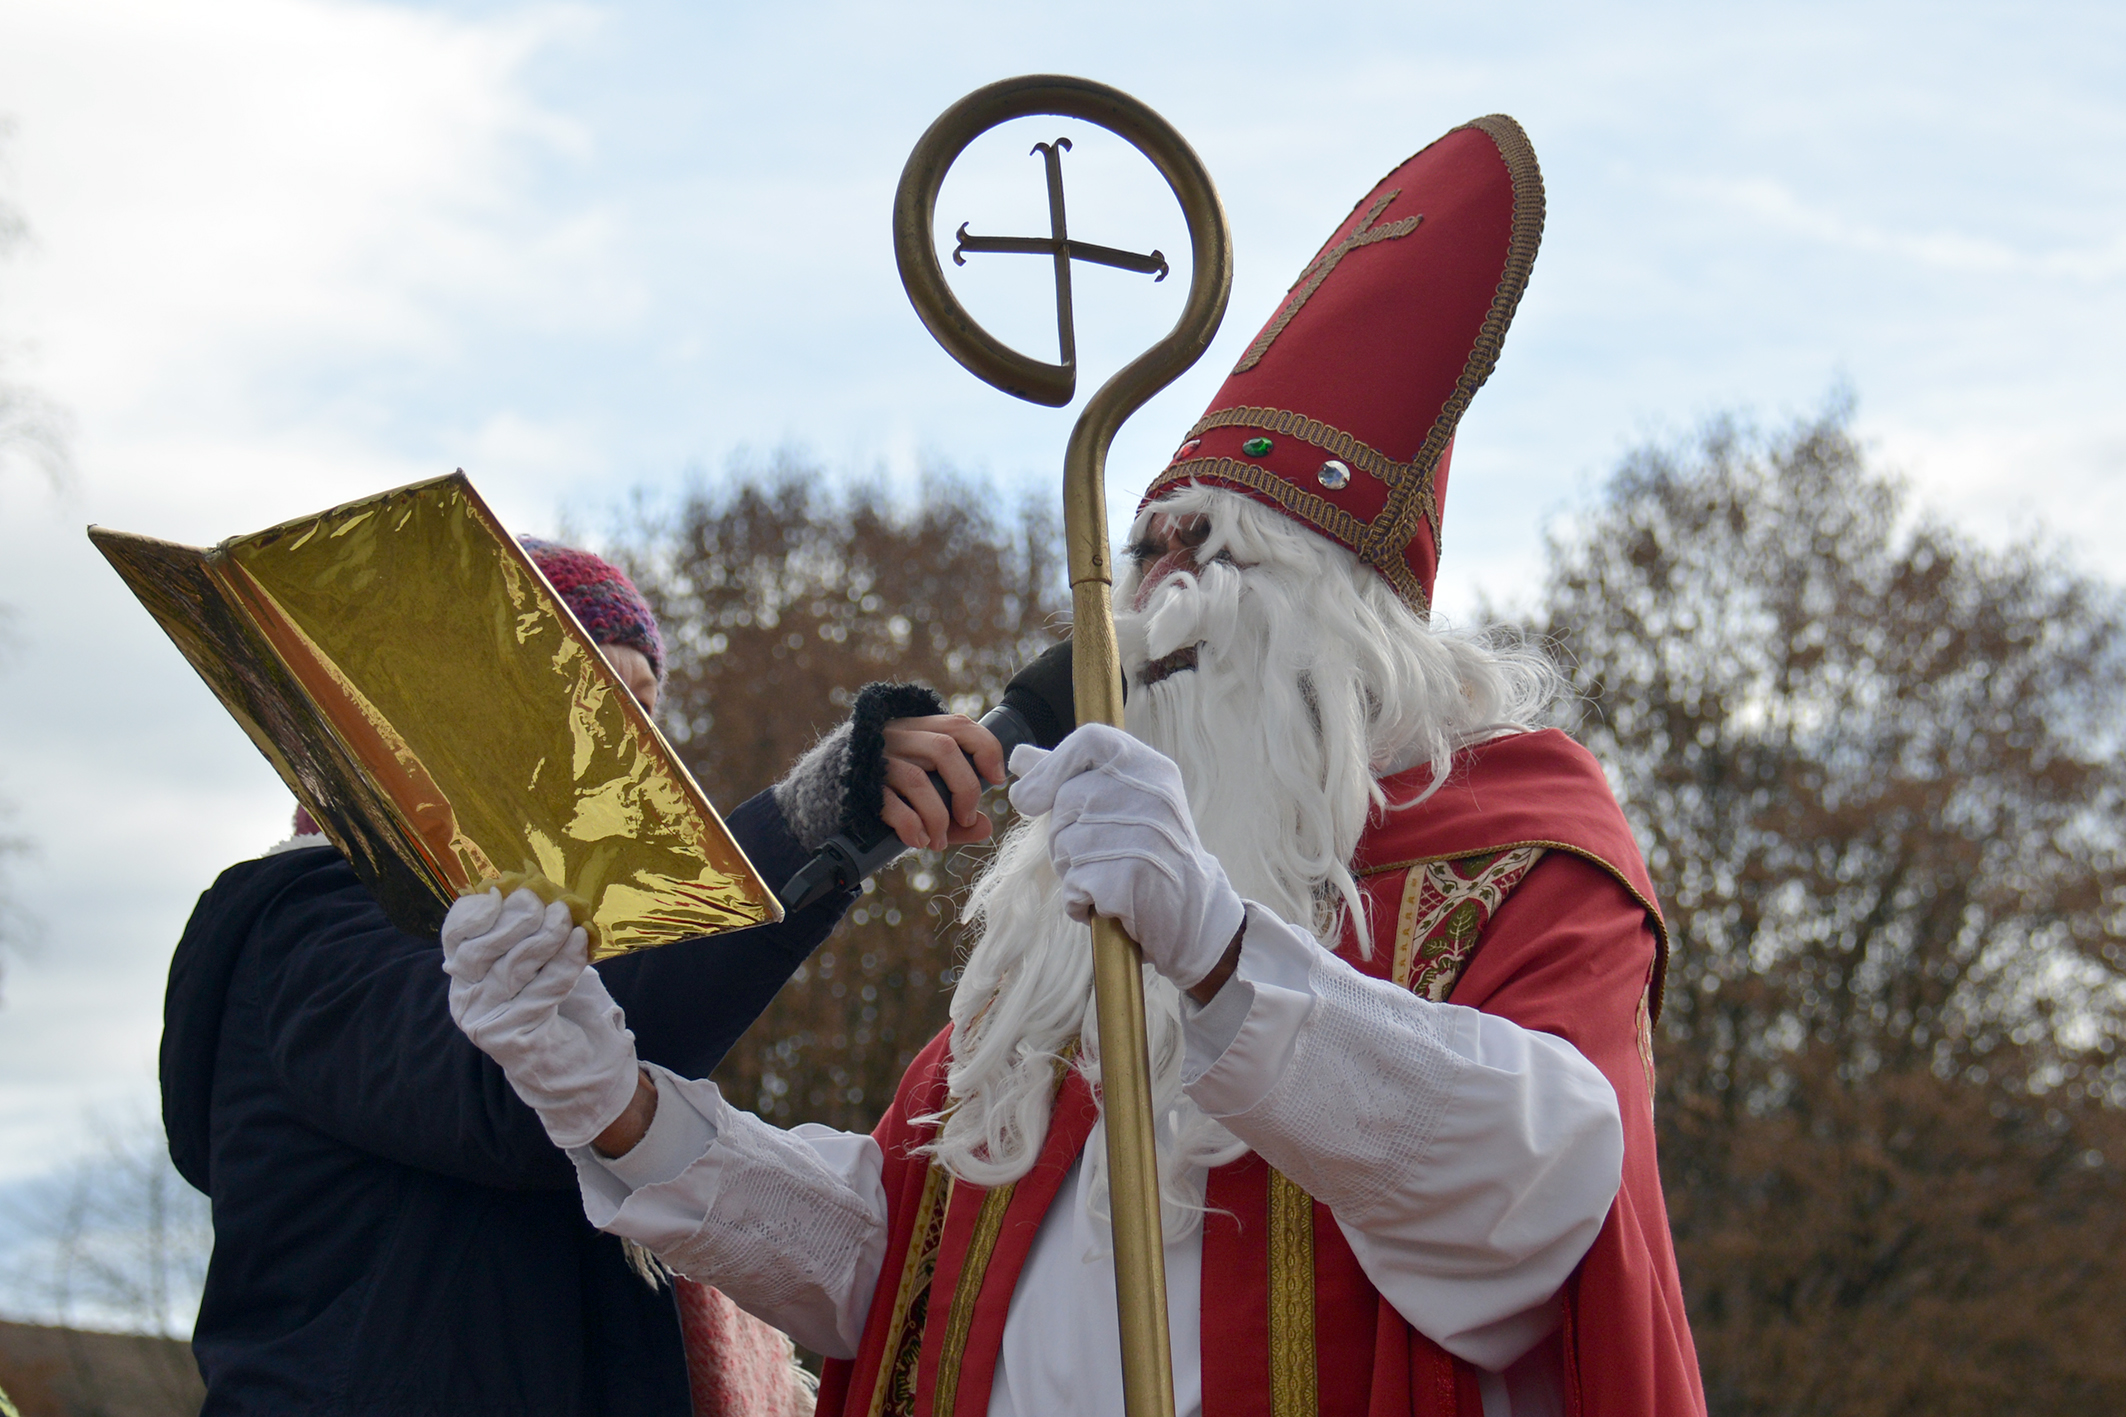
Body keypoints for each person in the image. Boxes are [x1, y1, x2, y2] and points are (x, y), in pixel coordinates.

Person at [445, 117, 1707, 1416]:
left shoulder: (1503, 857)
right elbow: (894, 1264)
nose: (1154, 599)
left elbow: (1545, 1193)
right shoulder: (1061, 934)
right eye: (1145, 550)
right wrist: (619, 1103)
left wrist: (1221, 950)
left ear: (1335, 632)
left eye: (1206, 553)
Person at [161, 534, 1005, 1415]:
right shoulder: (306, 922)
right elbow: (518, 1085)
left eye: (644, 704)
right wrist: (815, 818)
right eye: (591, 695)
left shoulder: (589, 953)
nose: (628, 739)